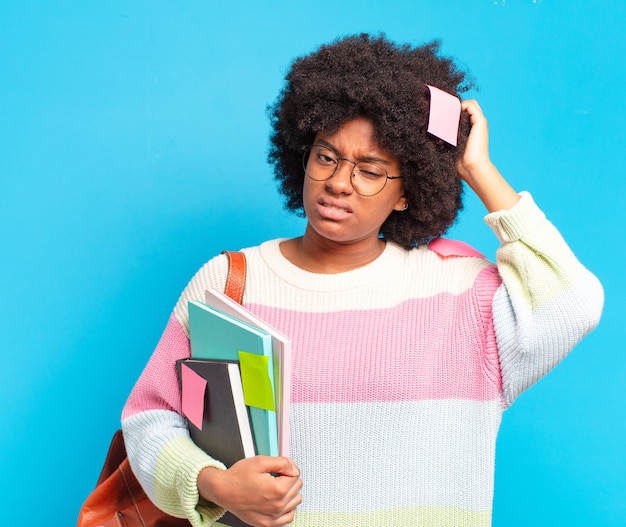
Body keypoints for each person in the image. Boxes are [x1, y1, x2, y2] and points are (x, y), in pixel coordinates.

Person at [121, 33, 603, 527]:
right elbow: (149, 417)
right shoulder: (228, 283)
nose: (339, 181)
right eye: (327, 156)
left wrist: (477, 170)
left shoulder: (460, 293)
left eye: (370, 170)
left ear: (406, 193)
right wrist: (212, 484)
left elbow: (574, 304)